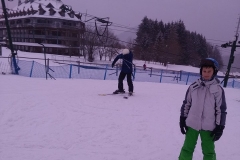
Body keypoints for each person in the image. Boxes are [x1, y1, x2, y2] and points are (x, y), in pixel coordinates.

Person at [178, 58, 227, 160]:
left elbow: (221, 110)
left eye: (209, 71)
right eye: (204, 71)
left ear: (214, 72)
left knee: (209, 152)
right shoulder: (194, 87)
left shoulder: (218, 90)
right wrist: (182, 119)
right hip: (192, 125)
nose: (206, 74)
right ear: (201, 71)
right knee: (187, 148)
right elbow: (186, 103)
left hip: (209, 127)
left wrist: (220, 127)